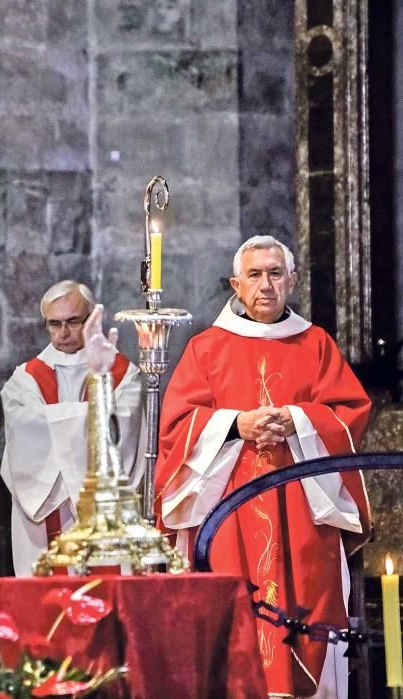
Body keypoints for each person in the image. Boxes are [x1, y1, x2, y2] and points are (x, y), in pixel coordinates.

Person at [156, 235, 371, 699]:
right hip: (228, 505)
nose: (266, 284)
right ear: (236, 283)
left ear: (292, 281)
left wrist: (296, 419)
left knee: (308, 598)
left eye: (276, 273)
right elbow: (176, 425)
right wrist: (237, 424)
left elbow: (350, 412)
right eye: (254, 275)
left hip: (301, 503)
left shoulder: (315, 344)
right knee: (234, 610)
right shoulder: (206, 348)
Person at [0, 281, 144, 576]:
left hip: (104, 513)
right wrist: (91, 417)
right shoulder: (24, 379)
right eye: (54, 324)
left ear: (91, 318)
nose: (63, 333)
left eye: (72, 322)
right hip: (50, 507)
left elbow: (124, 428)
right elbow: (24, 432)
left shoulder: (122, 373)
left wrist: (56, 421)